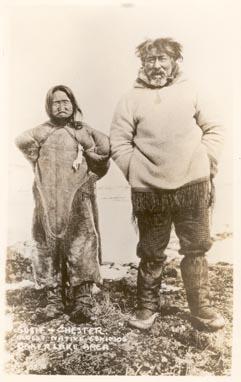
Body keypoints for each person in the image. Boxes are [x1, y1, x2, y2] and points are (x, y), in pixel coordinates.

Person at [110, 38, 225, 331]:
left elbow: (214, 128)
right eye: (150, 60)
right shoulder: (129, 99)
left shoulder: (192, 90)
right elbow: (119, 141)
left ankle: (201, 308)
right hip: (150, 193)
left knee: (196, 248)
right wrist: (135, 171)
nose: (156, 65)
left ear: (175, 61)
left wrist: (204, 161)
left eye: (163, 59)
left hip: (192, 187)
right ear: (142, 64)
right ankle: (147, 307)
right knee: (150, 250)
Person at [16, 85, 110, 323]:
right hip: (47, 202)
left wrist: (90, 178)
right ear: (49, 106)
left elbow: (104, 150)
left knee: (82, 245)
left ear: (73, 104)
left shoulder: (81, 131)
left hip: (77, 200)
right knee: (47, 248)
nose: (62, 106)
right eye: (56, 102)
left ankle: (83, 301)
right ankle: (54, 300)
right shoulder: (42, 132)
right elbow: (21, 141)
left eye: (66, 102)